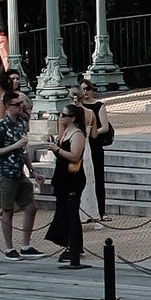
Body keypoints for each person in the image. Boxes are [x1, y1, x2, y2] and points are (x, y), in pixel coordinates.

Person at [0, 87, 38, 258]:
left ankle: (25, 245)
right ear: (8, 106)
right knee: (8, 210)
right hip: (6, 173)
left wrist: (32, 170)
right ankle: (9, 248)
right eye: (17, 104)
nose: (20, 107)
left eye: (21, 104)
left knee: (30, 207)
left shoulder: (21, 123)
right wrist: (13, 147)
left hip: (19, 171)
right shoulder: (1, 126)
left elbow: (24, 150)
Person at [43, 104, 90, 266]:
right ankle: (71, 243)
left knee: (71, 212)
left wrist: (56, 149)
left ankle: (74, 245)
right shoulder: (66, 132)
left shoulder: (77, 134)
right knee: (64, 210)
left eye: (63, 115)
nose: (60, 117)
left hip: (73, 177)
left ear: (73, 118)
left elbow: (75, 156)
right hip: (63, 176)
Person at [80, 84, 115, 223]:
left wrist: (89, 133)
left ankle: (101, 211)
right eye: (82, 89)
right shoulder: (78, 107)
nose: (85, 92)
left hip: (95, 144)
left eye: (87, 89)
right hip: (82, 145)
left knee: (98, 177)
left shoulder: (98, 106)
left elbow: (105, 127)